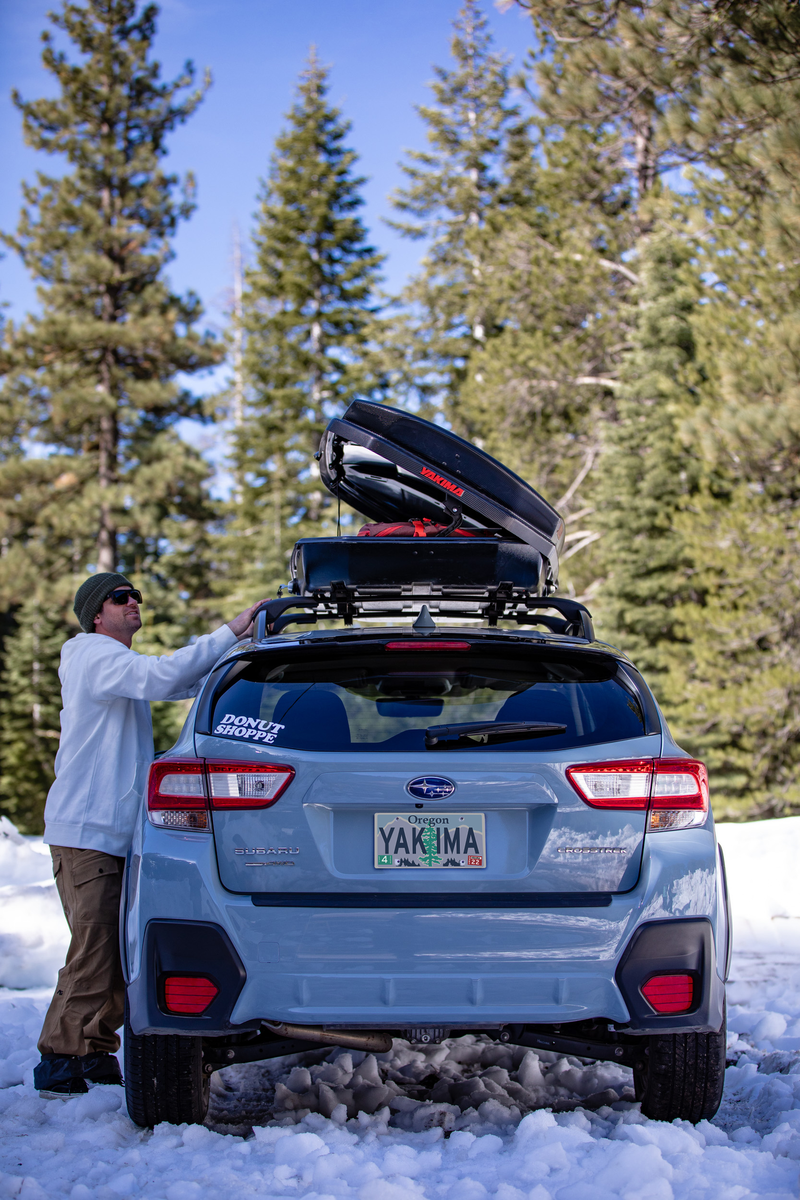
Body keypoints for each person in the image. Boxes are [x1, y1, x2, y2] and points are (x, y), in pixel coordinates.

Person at [33, 572, 268, 1098]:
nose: (133, 602)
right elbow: (163, 677)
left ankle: (94, 1049)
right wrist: (232, 629)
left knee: (118, 949)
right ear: (96, 615)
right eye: (121, 598)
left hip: (112, 835)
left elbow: (181, 683)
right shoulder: (92, 653)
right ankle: (60, 1056)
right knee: (94, 946)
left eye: (136, 595)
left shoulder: (116, 666)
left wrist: (243, 652)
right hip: (87, 834)